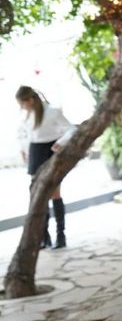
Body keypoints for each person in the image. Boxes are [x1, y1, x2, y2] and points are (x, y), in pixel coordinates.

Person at [15, 85, 75, 249]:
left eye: (22, 103)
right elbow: (24, 135)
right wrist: (23, 150)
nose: (21, 107)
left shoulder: (52, 112)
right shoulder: (26, 115)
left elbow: (71, 129)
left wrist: (60, 143)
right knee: (38, 196)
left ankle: (60, 236)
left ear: (30, 100)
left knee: (54, 194)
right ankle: (44, 237)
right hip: (35, 154)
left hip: (50, 152)